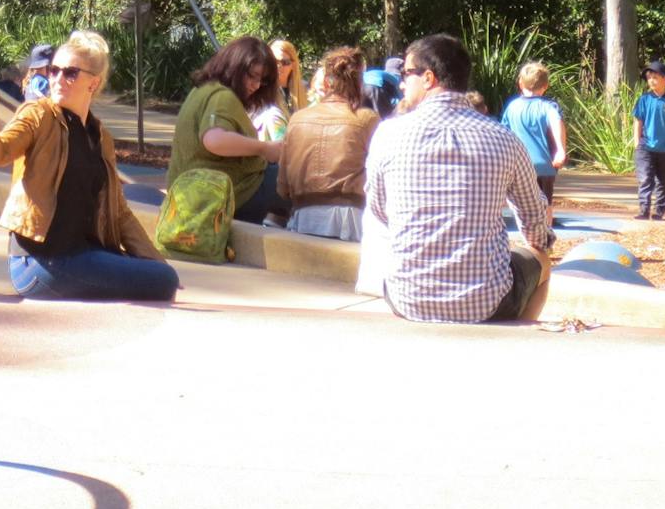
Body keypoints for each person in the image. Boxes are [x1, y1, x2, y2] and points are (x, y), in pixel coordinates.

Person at [0, 30, 179, 302]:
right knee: (163, 281)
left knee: (161, 274)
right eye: (53, 70)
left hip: (82, 253)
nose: (57, 79)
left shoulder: (100, 136)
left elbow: (119, 212)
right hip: (41, 261)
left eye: (70, 73)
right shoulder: (38, 115)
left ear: (93, 83)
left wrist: (155, 261)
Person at [365, 33, 553, 324]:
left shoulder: (388, 134)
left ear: (428, 78)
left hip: (406, 297)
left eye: (406, 73)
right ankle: (519, 336)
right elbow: (534, 221)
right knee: (541, 261)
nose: (402, 82)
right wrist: (538, 243)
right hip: (487, 302)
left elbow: (379, 210)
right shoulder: (503, 139)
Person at [168, 36, 286, 224]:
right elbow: (215, 140)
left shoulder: (202, 90)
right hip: (224, 196)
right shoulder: (222, 96)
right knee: (295, 179)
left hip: (195, 195)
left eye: (261, 80)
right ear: (235, 66)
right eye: (252, 76)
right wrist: (264, 148)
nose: (255, 86)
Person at [281, 46, 378, 240]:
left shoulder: (298, 119)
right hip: (352, 218)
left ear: (326, 82)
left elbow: (283, 185)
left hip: (304, 215)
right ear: (360, 83)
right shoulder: (367, 120)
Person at [501, 61, 568, 206]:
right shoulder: (548, 107)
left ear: (520, 83)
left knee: (521, 205)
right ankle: (546, 227)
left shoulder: (512, 107)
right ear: (545, 86)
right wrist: (561, 150)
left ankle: (524, 228)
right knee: (546, 204)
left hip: (518, 166)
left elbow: (503, 133)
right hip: (544, 165)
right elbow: (556, 121)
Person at [632, 59, 665, 221]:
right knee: (645, 179)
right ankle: (644, 210)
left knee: (664, 182)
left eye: (656, 77)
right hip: (646, 147)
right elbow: (638, 122)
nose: (652, 81)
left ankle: (659, 211)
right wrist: (637, 143)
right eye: (649, 78)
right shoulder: (644, 100)